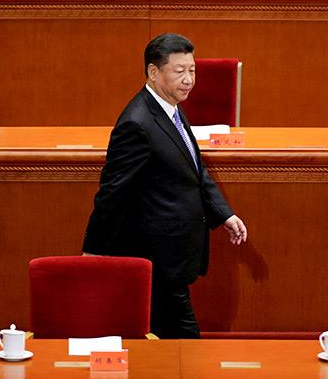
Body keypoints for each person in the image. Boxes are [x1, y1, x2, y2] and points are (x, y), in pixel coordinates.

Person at [82, 33, 247, 338]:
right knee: (184, 338)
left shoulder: (170, 107)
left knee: (165, 341)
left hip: (174, 252)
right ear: (154, 72)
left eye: (192, 70)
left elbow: (193, 169)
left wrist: (223, 213)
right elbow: (112, 192)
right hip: (156, 254)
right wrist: (94, 250)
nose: (189, 80)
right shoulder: (136, 123)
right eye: (179, 71)